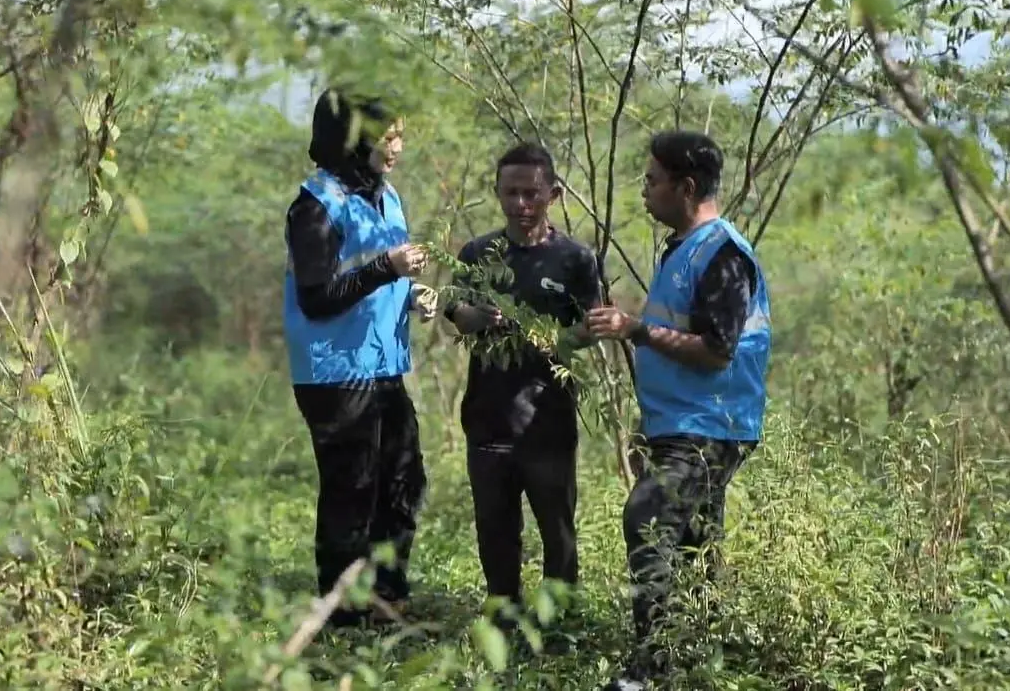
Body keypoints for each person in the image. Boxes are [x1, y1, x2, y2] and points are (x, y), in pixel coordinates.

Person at [585, 130, 771, 690]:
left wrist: (637, 330)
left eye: (653, 181)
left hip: (710, 425)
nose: (645, 191)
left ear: (686, 188)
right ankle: (705, 659)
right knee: (693, 542)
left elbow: (717, 352)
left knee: (647, 518)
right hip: (679, 424)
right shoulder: (684, 247)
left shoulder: (724, 255)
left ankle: (650, 670)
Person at [283, 87, 439, 627]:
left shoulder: (385, 194)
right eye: (386, 136)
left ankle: (388, 600)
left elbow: (377, 276)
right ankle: (343, 615)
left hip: (384, 365)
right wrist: (386, 272)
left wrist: (410, 294)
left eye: (399, 133)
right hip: (335, 372)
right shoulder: (315, 206)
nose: (396, 145)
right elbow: (318, 296)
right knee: (352, 492)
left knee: (402, 482)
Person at [443, 142, 603, 632]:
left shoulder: (576, 259)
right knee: (495, 529)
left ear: (552, 194)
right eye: (510, 193)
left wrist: (551, 338)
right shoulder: (477, 254)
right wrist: (475, 317)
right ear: (497, 193)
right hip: (488, 417)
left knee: (557, 531)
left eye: (531, 193)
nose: (520, 204)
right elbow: (456, 312)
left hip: (548, 420)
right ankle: (503, 619)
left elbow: (592, 328)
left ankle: (559, 625)